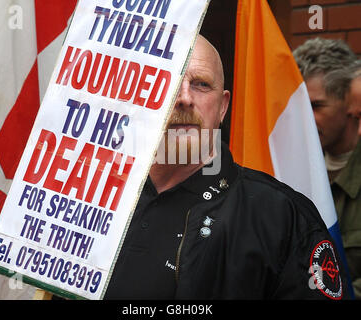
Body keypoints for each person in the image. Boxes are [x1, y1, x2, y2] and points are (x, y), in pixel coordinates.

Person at [103, 35, 351, 300]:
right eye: (171, 80)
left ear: (222, 107)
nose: (184, 98)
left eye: (201, 84)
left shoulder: (281, 216)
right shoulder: (99, 196)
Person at [293, 38, 360, 298]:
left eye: (316, 106)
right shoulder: (293, 169)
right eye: (300, 106)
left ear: (350, 103)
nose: (305, 117)